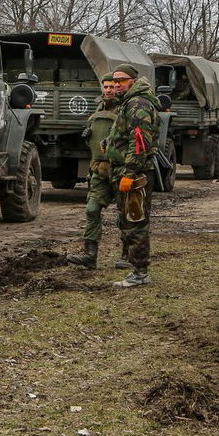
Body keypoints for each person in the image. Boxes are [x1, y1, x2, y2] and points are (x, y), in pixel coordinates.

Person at [65, 70, 129, 270]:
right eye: (106, 86)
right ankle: (90, 255)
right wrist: (88, 137)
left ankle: (127, 254)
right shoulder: (98, 109)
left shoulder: (127, 109)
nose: (110, 90)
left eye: (113, 86)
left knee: (125, 214)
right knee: (92, 210)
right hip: (98, 169)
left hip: (120, 170)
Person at [109, 64, 161, 287]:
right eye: (114, 81)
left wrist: (130, 172)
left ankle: (140, 273)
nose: (116, 85)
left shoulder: (137, 104)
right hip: (125, 170)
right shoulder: (128, 103)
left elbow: (140, 143)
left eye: (121, 81)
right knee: (128, 219)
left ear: (132, 81)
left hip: (135, 173)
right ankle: (136, 268)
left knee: (135, 220)